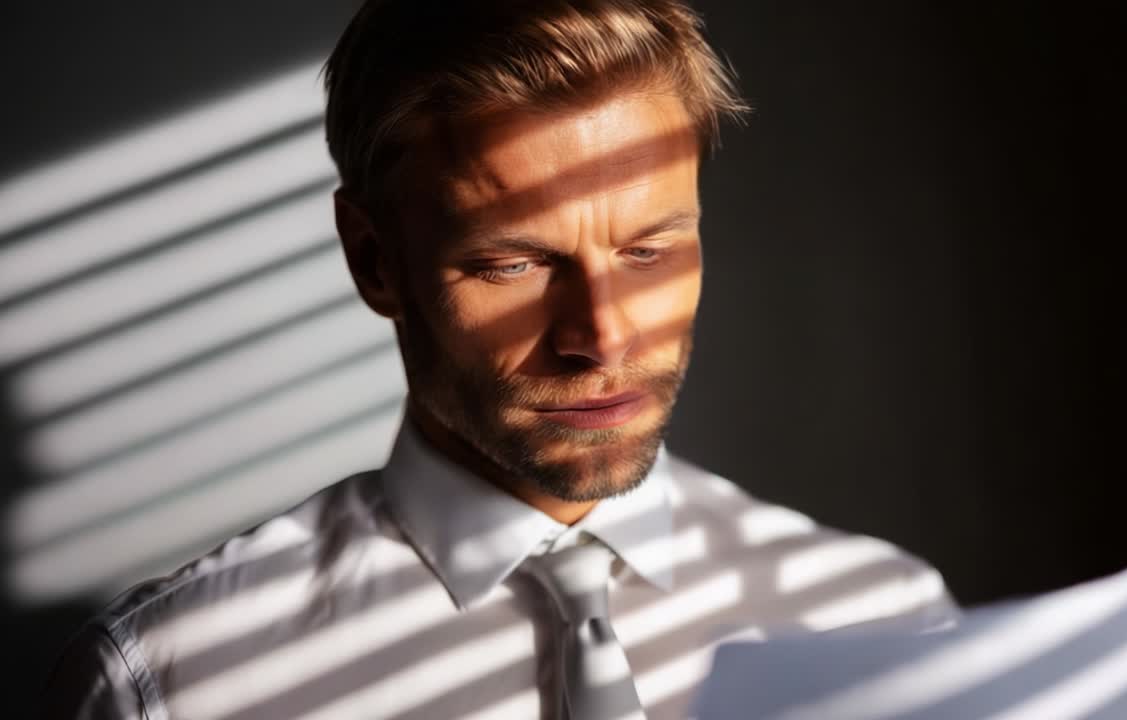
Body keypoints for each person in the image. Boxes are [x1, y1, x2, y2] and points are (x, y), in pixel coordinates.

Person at [43, 1, 956, 717]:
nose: (601, 335)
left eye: (650, 250)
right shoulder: (167, 686)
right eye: (510, 264)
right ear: (374, 259)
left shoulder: (884, 618)